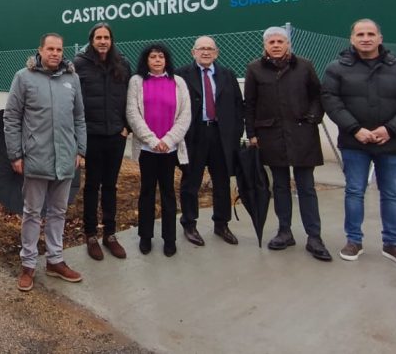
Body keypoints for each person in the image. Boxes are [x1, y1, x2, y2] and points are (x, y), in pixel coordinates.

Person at [321, 18, 396, 269]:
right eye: (360, 34)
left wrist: (390, 129)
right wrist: (355, 129)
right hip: (355, 143)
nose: (365, 38)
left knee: (391, 194)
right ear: (352, 39)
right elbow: (331, 102)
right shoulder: (337, 68)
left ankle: (392, 244)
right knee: (354, 191)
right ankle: (354, 241)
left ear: (379, 38)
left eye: (370, 34)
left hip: (390, 143)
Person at [4, 33, 87, 292]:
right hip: (35, 158)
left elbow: (80, 118)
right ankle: (28, 264)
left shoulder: (72, 79)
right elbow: (12, 117)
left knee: (58, 212)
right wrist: (15, 154)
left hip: (65, 159)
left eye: (59, 49)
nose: (55, 53)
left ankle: (55, 260)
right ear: (39, 50)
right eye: (50, 48)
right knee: (31, 213)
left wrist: (80, 149)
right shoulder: (24, 78)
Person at [244, 26, 331, 261]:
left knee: (306, 187)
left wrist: (313, 117)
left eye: (280, 41)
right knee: (280, 187)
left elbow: (318, 95)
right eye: (271, 41)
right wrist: (251, 133)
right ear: (265, 46)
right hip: (270, 136)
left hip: (302, 134)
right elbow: (249, 103)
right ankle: (284, 232)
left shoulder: (304, 66)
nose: (275, 45)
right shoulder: (254, 69)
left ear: (288, 44)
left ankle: (314, 237)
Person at [174, 36, 243, 247]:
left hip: (220, 135)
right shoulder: (181, 75)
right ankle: (189, 224)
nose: (205, 52)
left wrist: (236, 134)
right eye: (201, 49)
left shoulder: (227, 75)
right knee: (191, 181)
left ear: (217, 53)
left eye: (210, 49)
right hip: (193, 135)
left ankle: (221, 224)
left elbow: (238, 106)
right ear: (193, 52)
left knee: (222, 182)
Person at [125, 42, 191, 257]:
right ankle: (146, 237)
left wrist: (169, 140)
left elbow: (185, 115)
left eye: (161, 57)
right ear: (146, 60)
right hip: (147, 149)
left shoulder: (178, 82)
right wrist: (153, 141)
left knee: (168, 194)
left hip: (170, 150)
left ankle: (169, 239)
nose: (157, 60)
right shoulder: (136, 81)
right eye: (153, 57)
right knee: (146, 192)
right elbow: (133, 113)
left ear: (166, 60)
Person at [73, 23, 131, 261]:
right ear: (91, 40)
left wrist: (126, 127)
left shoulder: (122, 64)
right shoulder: (79, 65)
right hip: (91, 136)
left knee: (111, 186)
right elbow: (71, 99)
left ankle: (110, 234)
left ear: (111, 40)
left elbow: (129, 96)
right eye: (98, 37)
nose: (103, 41)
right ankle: (90, 235)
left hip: (116, 136)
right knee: (91, 186)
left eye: (107, 37)